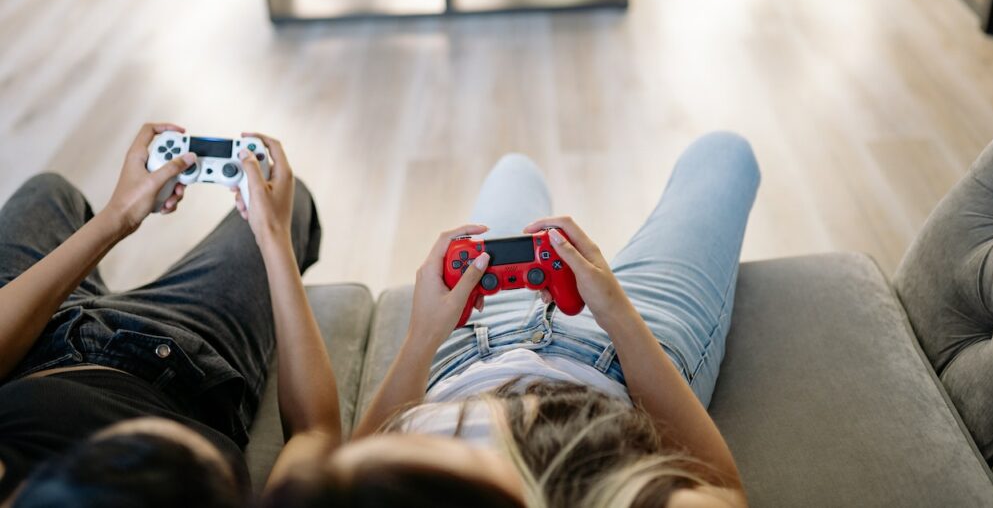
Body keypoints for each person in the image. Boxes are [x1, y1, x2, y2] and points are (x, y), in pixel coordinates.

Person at [264, 132, 761, 508]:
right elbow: (723, 490)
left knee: (513, 171)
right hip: (614, 366)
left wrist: (423, 337)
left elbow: (349, 457)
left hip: (464, 350)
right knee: (724, 154)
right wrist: (616, 313)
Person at [0, 123, 340, 507]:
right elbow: (315, 434)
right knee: (291, 199)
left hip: (25, 345)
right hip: (177, 357)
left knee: (48, 192)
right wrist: (273, 236)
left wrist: (121, 215)